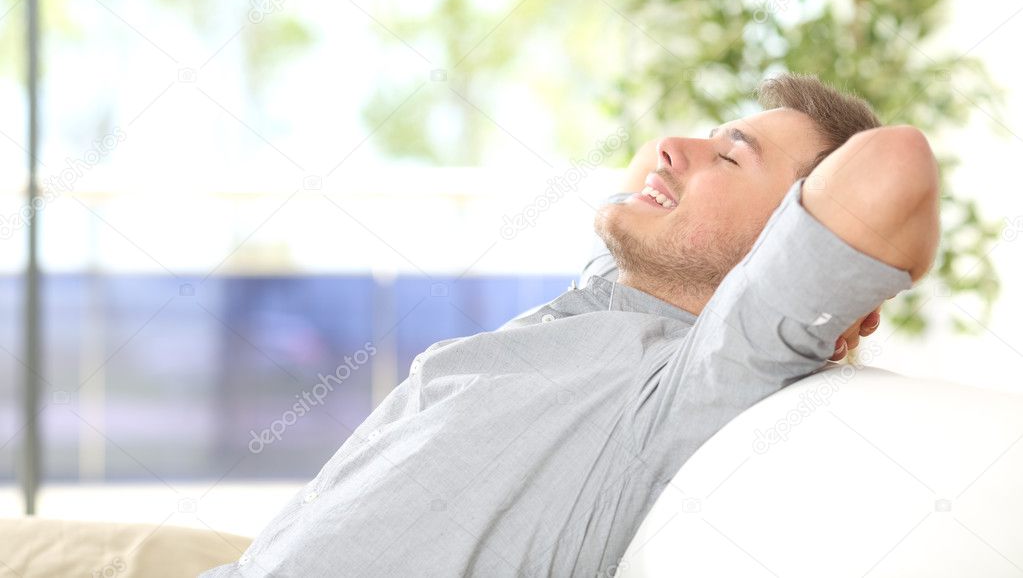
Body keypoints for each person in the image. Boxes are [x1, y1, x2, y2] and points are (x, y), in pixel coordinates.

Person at [202, 73, 941, 577]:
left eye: (727, 155)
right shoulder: (601, 296)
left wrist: (821, 285)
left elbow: (892, 166)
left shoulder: (698, 374)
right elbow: (642, 180)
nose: (668, 148)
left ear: (785, 255)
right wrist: (707, 168)